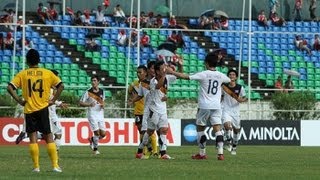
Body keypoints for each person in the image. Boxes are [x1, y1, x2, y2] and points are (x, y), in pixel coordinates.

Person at [7, 49, 64, 172]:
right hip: (43, 109)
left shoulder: (23, 74)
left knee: (33, 139)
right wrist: (53, 100)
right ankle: (55, 166)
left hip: (29, 109)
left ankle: (36, 167)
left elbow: (10, 87)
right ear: (39, 60)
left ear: (27, 61)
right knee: (49, 137)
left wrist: (19, 100)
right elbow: (61, 86)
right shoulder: (47, 73)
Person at [167, 53, 230, 160]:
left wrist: (172, 72)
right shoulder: (221, 75)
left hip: (204, 105)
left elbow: (186, 77)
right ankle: (220, 154)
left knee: (200, 128)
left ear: (206, 63)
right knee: (218, 129)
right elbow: (229, 80)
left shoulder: (203, 74)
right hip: (216, 105)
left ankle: (202, 153)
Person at [16, 70, 68, 149]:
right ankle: (55, 153)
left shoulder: (48, 86)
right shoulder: (47, 88)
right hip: (49, 115)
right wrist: (59, 103)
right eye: (56, 77)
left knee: (49, 134)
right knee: (57, 134)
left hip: (47, 113)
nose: (57, 79)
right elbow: (49, 98)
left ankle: (27, 134)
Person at [136, 60, 177, 160]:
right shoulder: (152, 81)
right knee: (150, 131)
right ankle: (140, 149)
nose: (165, 69)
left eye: (165, 67)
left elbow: (177, 76)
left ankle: (163, 153)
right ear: (158, 71)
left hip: (163, 109)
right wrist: (164, 74)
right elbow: (158, 86)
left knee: (164, 130)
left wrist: (176, 69)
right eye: (163, 68)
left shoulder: (166, 78)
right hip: (153, 110)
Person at [133, 61, 158, 159]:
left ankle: (154, 151)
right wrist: (132, 100)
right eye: (137, 72)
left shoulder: (156, 82)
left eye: (140, 72)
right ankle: (146, 150)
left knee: (153, 131)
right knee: (143, 132)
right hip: (142, 111)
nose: (138, 74)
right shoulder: (138, 84)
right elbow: (138, 95)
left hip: (154, 110)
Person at [221, 69, 247, 155]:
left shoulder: (240, 87)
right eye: (230, 75)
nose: (231, 76)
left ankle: (234, 147)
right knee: (227, 126)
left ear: (236, 77)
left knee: (236, 130)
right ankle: (228, 142)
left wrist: (241, 100)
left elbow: (245, 97)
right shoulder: (224, 87)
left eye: (233, 75)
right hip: (226, 110)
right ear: (228, 76)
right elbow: (220, 97)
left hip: (235, 111)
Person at [79, 76, 106, 155]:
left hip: (100, 114)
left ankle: (92, 139)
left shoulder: (102, 91)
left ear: (98, 82)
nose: (93, 82)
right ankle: (95, 149)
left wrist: (103, 105)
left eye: (94, 80)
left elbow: (103, 102)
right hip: (92, 114)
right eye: (92, 81)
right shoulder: (88, 92)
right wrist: (89, 104)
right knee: (97, 133)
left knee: (103, 134)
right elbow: (80, 102)